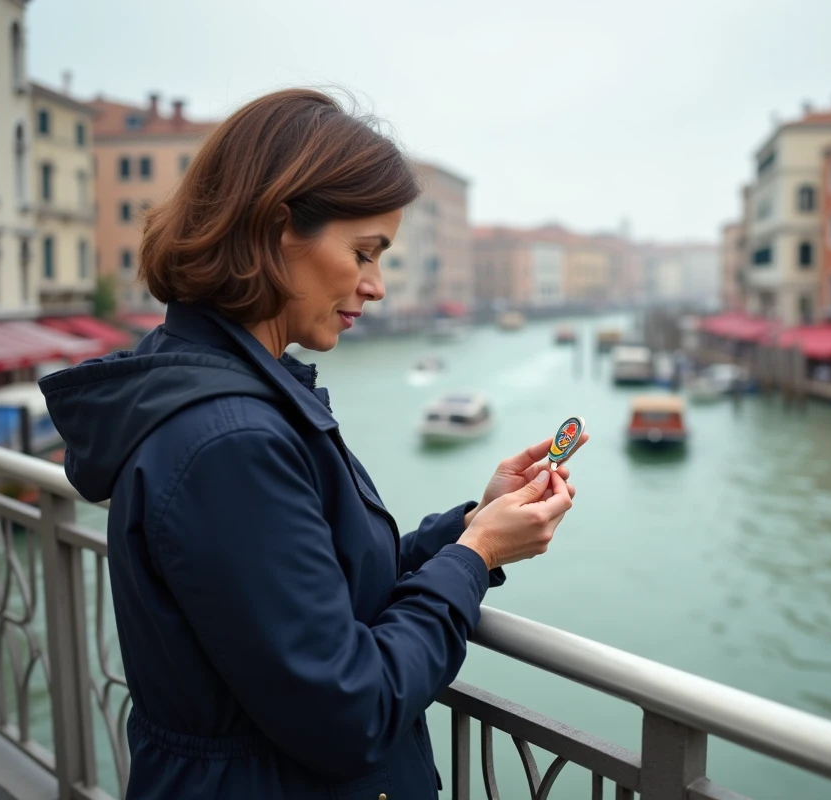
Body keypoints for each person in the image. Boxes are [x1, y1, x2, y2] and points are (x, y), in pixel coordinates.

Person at [40, 89, 584, 799]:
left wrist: (471, 525)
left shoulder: (226, 396)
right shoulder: (228, 442)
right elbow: (350, 709)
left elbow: (322, 591)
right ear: (276, 229)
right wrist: (477, 559)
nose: (377, 286)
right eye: (364, 252)